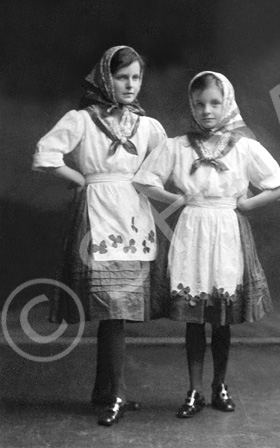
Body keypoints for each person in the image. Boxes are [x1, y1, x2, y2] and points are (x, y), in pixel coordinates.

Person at [133, 71, 280, 418]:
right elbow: (144, 181)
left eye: (215, 103)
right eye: (200, 103)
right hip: (193, 229)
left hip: (226, 231)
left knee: (220, 318)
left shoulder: (244, 147)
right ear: (191, 105)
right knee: (195, 319)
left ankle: (218, 385)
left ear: (227, 104)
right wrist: (175, 196)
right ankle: (193, 390)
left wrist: (248, 204)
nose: (207, 110)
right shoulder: (177, 146)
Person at [32, 45, 166, 427]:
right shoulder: (82, 120)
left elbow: (165, 164)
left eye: (136, 78)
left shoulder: (148, 126)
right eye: (123, 77)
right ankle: (117, 391)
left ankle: (105, 389)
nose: (130, 85)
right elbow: (45, 154)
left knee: (118, 311)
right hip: (98, 215)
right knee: (112, 306)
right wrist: (82, 180)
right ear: (107, 78)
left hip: (135, 217)